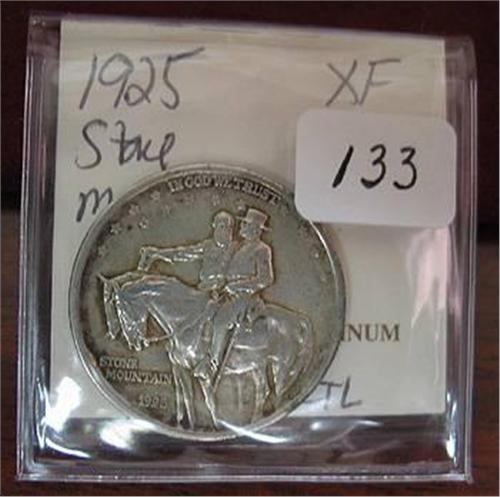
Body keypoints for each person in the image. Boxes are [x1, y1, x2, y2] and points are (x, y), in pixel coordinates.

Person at [194, 208, 274, 384]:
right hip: (229, 294)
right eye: (243, 222)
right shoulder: (239, 247)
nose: (241, 226)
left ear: (256, 229)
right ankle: (201, 354)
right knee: (205, 311)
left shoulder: (262, 249)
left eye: (246, 224)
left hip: (246, 298)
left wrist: (237, 286)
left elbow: (265, 279)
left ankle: (212, 365)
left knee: (221, 320)